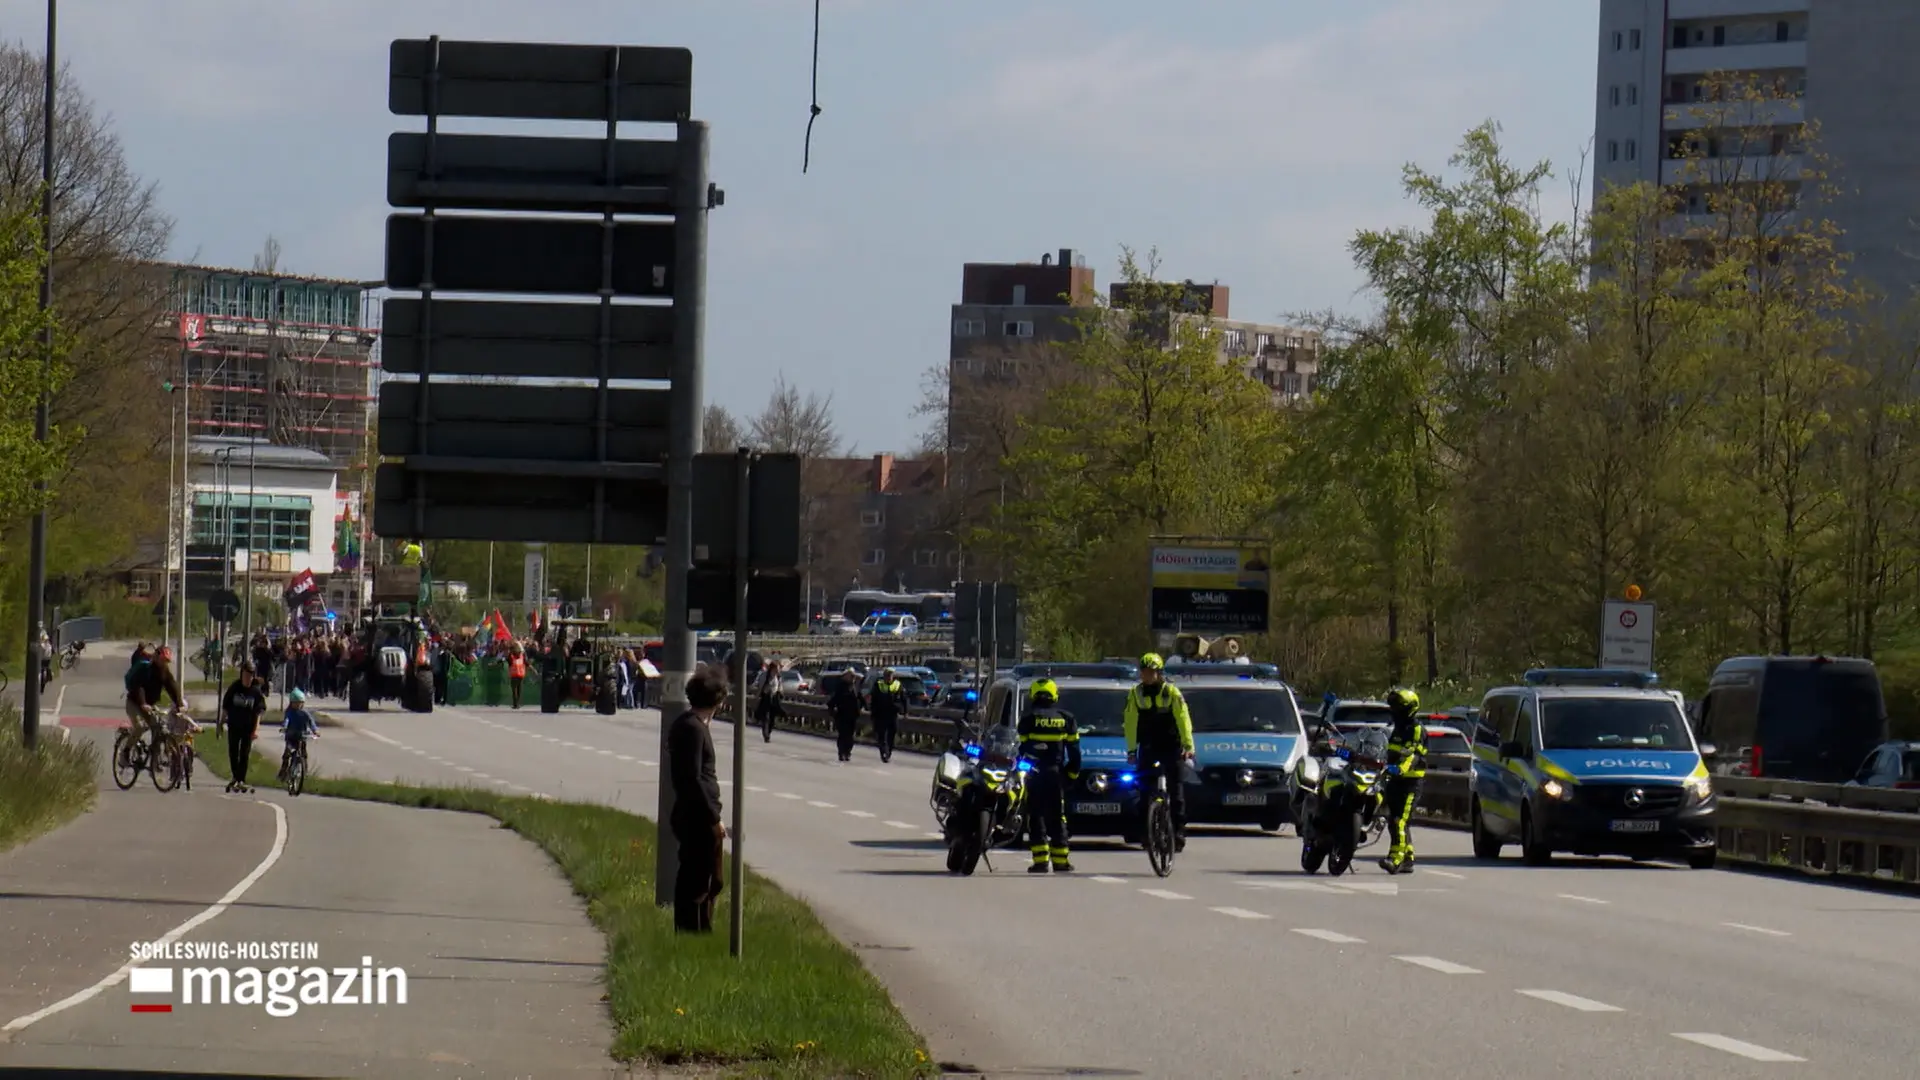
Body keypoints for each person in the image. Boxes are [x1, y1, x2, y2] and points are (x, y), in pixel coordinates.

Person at [666, 668, 728, 933]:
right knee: (700, 880)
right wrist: (713, 818)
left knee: (704, 877)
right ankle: (693, 932)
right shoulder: (693, 729)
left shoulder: (688, 724)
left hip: (692, 814)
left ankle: (694, 929)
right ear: (718, 701)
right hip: (697, 817)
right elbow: (693, 779)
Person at [1122, 652, 1194, 852]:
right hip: (1149, 747)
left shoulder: (1171, 692)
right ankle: (1147, 833)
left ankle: (1178, 832)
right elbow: (1130, 722)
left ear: (1159, 673)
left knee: (1176, 791)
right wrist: (1131, 750)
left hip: (1172, 746)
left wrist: (1188, 746)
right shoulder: (1136, 694)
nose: (1147, 676)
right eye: (1144, 672)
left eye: (1151, 672)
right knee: (1145, 792)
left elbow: (1183, 719)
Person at [1018, 678, 1082, 873]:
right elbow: (1075, 753)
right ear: (1054, 695)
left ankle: (1041, 861)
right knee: (1057, 817)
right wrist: (1071, 775)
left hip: (1034, 774)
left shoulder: (1028, 718)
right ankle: (1061, 861)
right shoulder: (1067, 718)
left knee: (1036, 816)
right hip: (1056, 775)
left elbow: (1019, 749)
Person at [1378, 688, 1429, 875]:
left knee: (1400, 820)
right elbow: (1388, 751)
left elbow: (1413, 755)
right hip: (1394, 780)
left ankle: (1395, 859)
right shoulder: (1398, 729)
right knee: (1393, 820)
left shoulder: (1416, 730)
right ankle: (1408, 858)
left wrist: (1400, 768)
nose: (1394, 712)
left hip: (1410, 783)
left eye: (1397, 708)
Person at [124, 644, 185, 766]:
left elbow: (172, 686)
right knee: (140, 726)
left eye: (166, 661)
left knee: (158, 727)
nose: (164, 663)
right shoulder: (146, 669)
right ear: (156, 657)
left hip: (149, 705)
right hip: (134, 703)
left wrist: (180, 705)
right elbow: (139, 687)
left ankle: (154, 762)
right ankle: (125, 752)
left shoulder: (164, 672)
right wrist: (143, 703)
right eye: (162, 660)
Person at [222, 663, 269, 794]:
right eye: (245, 675)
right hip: (234, 725)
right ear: (241, 674)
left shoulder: (255, 692)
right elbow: (226, 706)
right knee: (233, 752)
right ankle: (235, 777)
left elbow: (259, 712)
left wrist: (255, 730)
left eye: (250, 676)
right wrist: (221, 723)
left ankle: (241, 779)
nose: (247, 678)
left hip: (248, 727)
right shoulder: (235, 687)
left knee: (244, 753)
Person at [279, 689, 319, 781]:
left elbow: (311, 721)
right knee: (287, 753)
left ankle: (305, 772)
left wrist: (315, 730)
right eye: (295, 703)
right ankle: (283, 771)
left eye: (300, 703)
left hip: (301, 737)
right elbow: (286, 720)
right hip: (291, 736)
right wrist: (284, 727)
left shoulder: (304, 713)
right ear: (291, 703)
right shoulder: (289, 712)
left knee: (303, 754)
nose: (298, 705)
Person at [869, 668, 904, 763]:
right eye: (887, 675)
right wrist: (873, 712)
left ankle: (888, 752)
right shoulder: (878, 685)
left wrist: (904, 711)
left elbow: (903, 699)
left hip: (893, 714)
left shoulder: (897, 685)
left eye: (890, 675)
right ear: (884, 676)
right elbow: (873, 701)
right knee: (882, 735)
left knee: (892, 734)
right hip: (881, 714)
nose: (889, 677)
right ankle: (884, 752)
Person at [828, 671, 863, 762]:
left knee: (850, 736)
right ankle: (841, 752)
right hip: (842, 715)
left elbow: (860, 699)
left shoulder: (855, 688)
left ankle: (847, 752)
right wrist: (832, 710)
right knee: (843, 735)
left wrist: (862, 708)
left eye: (853, 677)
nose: (852, 678)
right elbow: (833, 700)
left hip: (852, 716)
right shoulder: (841, 687)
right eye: (851, 676)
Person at [508, 644, 528, 709]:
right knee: (519, 690)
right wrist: (534, 670)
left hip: (514, 675)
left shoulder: (511, 656)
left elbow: (507, 661)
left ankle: (515, 704)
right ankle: (518, 704)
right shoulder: (522, 655)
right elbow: (526, 663)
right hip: (520, 674)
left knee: (514, 690)